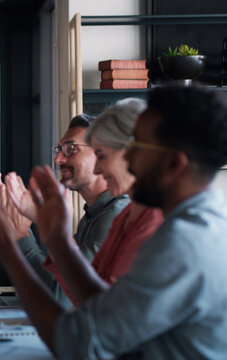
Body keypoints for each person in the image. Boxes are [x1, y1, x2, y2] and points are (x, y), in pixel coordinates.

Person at [0, 84, 227, 359]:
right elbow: (101, 309)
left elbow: (77, 343)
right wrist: (57, 241)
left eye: (136, 149)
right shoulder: (217, 223)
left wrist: (7, 247)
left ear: (174, 164)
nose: (127, 161)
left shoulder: (184, 243)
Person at [0, 113, 129, 308]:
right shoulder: (92, 214)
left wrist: (21, 235)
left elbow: (62, 295)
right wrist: (15, 223)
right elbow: (61, 280)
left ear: (101, 152)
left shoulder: (115, 215)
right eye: (59, 150)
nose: (59, 159)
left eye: (71, 149)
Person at [40, 98, 163, 305]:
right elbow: (90, 297)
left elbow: (67, 297)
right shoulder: (123, 216)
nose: (97, 169)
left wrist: (26, 236)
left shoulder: (137, 217)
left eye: (102, 156)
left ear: (131, 154)